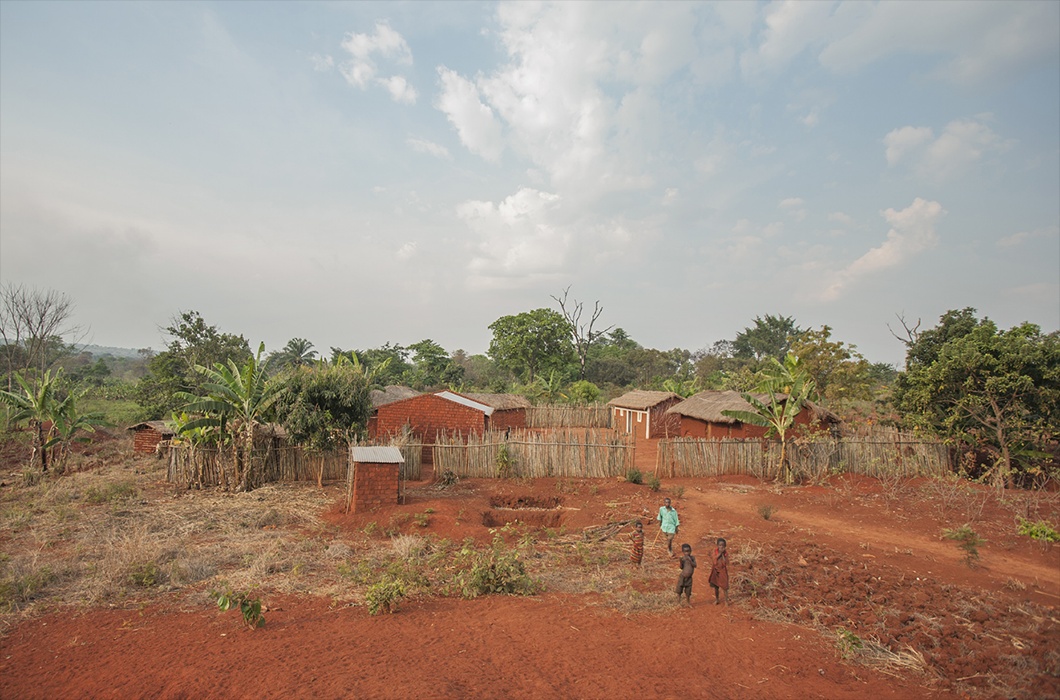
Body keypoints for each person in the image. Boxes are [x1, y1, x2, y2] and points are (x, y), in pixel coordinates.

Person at [708, 537, 729, 606]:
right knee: (716, 586)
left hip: (722, 570)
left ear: (725, 546)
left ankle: (726, 600)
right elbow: (714, 560)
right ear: (717, 545)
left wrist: (723, 554)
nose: (721, 547)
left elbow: (726, 562)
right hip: (715, 570)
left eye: (722, 545)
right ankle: (717, 599)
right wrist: (720, 553)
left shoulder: (725, 553)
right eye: (720, 545)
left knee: (725, 586)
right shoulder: (715, 552)